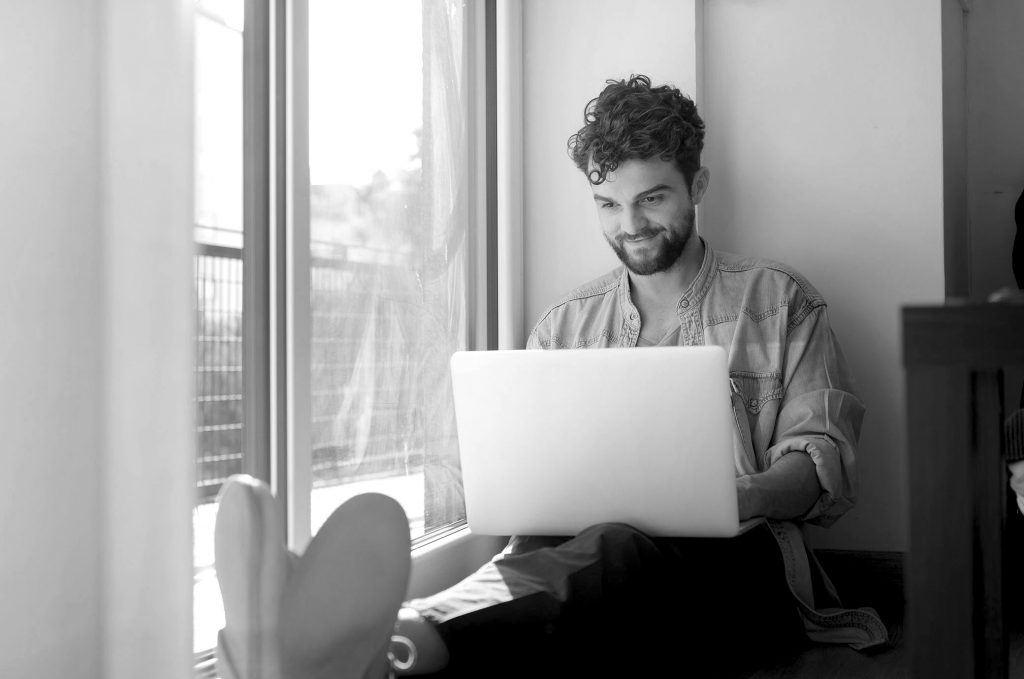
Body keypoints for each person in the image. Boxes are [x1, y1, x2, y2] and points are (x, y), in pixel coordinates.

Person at [215, 75, 889, 679]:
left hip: (736, 570)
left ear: (698, 187)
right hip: (589, 572)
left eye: (652, 198)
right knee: (544, 552)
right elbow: (528, 490)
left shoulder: (780, 299)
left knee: (619, 547)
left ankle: (360, 638)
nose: (630, 226)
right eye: (608, 204)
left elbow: (818, 469)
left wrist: (728, 495)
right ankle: (371, 645)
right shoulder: (565, 325)